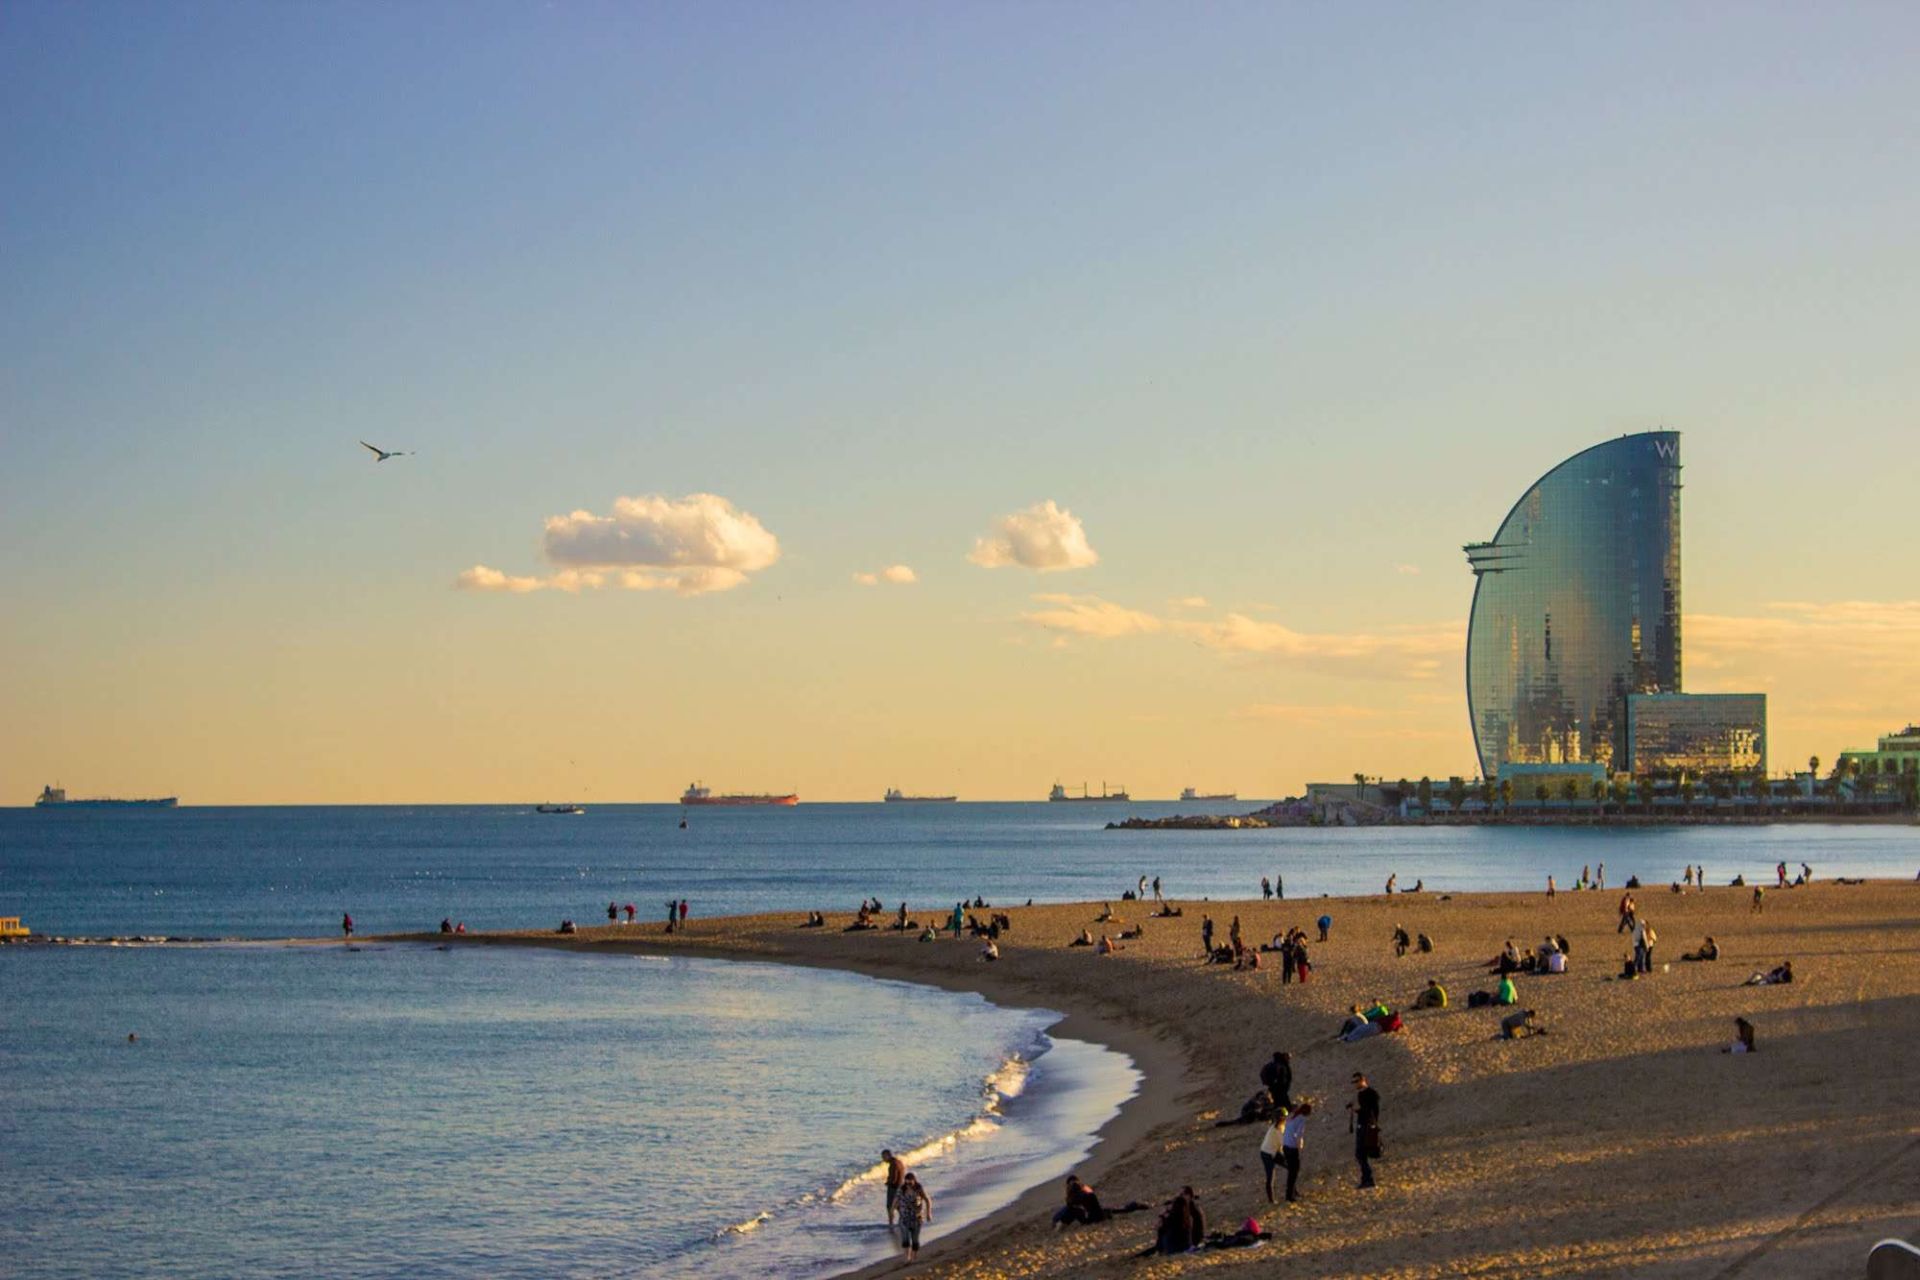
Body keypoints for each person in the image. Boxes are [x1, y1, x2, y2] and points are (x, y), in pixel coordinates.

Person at [1349, 1073, 1380, 1189]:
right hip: (1362, 1125)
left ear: (1363, 1080)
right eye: (1353, 1082)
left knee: (1361, 1153)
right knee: (1361, 1154)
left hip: (1366, 1126)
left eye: (1356, 1081)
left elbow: (1372, 1111)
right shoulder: (1362, 1094)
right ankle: (1366, 1178)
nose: (1355, 1084)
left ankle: (1368, 1179)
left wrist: (1358, 1110)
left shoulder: (1370, 1093)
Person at [1154, 1186, 1205, 1254]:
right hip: (1183, 1244)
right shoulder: (1185, 1210)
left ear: (1189, 1196)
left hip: (1186, 1243)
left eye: (1181, 1194)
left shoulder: (1191, 1210)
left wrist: (1162, 1217)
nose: (1180, 1196)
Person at [895, 1172, 931, 1260]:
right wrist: (895, 1211)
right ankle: (907, 1257)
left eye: (910, 1183)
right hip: (904, 1218)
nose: (908, 1185)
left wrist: (928, 1213)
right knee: (905, 1238)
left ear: (914, 1181)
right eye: (906, 1183)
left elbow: (927, 1200)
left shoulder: (919, 1189)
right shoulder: (901, 1189)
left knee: (915, 1239)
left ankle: (914, 1257)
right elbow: (896, 1201)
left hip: (916, 1218)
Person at [1279, 1101, 1310, 1201]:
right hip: (1292, 1147)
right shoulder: (1302, 1119)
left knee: (1291, 1171)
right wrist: (1299, 1146)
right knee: (1294, 1171)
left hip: (1285, 1145)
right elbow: (1299, 1134)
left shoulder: (1292, 1117)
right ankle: (1289, 1195)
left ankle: (1293, 1191)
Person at [1258, 1110, 1287, 1203]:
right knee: (1270, 1176)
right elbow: (1284, 1144)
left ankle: (1293, 1191)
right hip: (1267, 1154)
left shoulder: (1279, 1127)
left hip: (1274, 1151)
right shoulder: (1276, 1130)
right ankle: (1271, 1200)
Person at [882, 1150, 906, 1224]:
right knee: (898, 1205)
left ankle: (891, 1222)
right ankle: (903, 1219)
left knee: (890, 1206)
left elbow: (893, 1179)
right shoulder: (899, 1162)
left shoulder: (893, 1164)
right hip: (900, 1186)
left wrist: (887, 1182)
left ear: (887, 1156)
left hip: (894, 1187)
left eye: (883, 1157)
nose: (883, 1159)